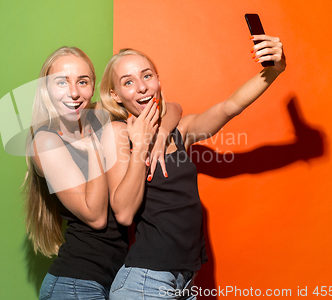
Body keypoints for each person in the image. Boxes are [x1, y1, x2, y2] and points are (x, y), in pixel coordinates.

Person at [99, 35, 286, 299]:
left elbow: (230, 106)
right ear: (115, 95)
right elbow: (124, 213)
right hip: (145, 282)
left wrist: (274, 70)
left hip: (185, 282)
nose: (141, 87)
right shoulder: (119, 133)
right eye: (128, 82)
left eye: (147, 76)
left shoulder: (180, 130)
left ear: (158, 81)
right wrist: (141, 147)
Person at [23, 46, 182, 300]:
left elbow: (171, 108)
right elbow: (95, 216)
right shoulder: (46, 141)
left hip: (109, 282)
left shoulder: (97, 116)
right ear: (46, 90)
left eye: (82, 82)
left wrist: (161, 134)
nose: (74, 93)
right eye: (61, 82)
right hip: (74, 284)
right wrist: (96, 148)